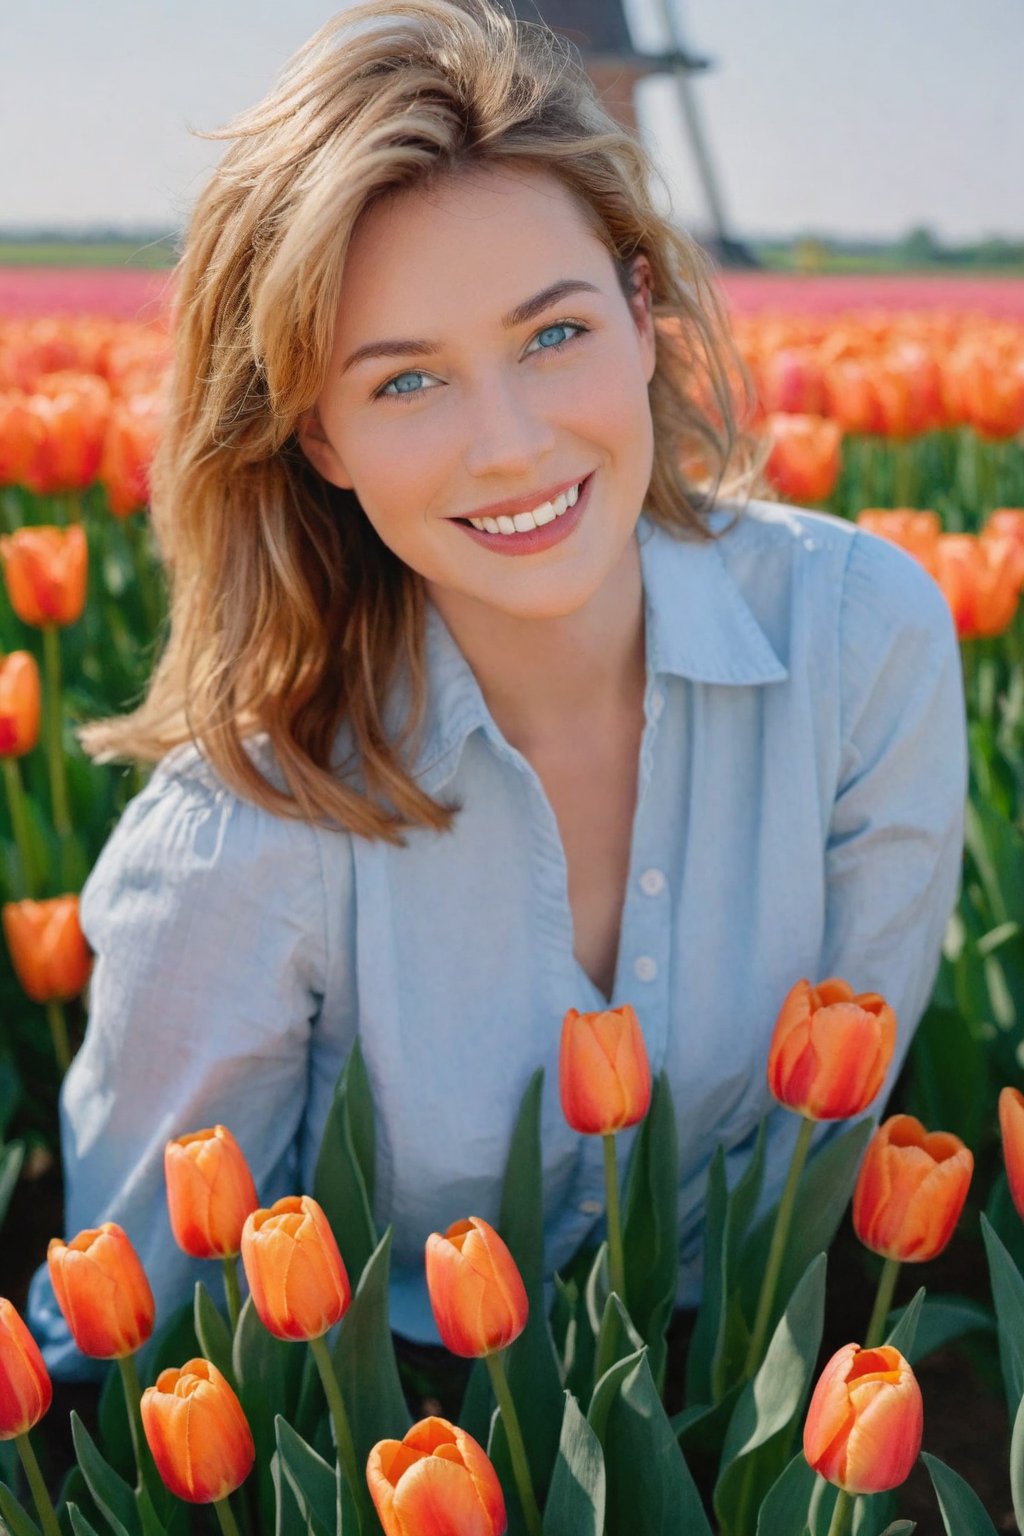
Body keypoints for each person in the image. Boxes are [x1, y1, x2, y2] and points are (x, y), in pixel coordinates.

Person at [28, 0, 966, 1380]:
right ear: (320, 438)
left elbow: (813, 1177)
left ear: (644, 316)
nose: (513, 446)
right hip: (395, 1447)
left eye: (552, 336)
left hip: (740, 1409)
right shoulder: (252, 823)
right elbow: (132, 1340)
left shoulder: (858, 646)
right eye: (407, 382)